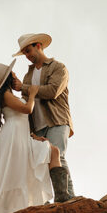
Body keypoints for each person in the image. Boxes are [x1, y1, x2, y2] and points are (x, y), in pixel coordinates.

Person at [0, 61, 70, 213]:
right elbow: (27, 109)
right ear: (8, 77)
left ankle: (62, 196)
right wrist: (33, 93)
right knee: (16, 172)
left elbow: (24, 119)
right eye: (11, 73)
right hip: (13, 136)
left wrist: (34, 137)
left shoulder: (9, 95)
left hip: (21, 135)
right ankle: (58, 197)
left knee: (53, 151)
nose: (15, 74)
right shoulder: (6, 95)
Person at [14, 33, 75, 198]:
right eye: (25, 53)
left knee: (58, 156)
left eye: (28, 51)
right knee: (43, 163)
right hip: (37, 126)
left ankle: (67, 196)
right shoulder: (28, 76)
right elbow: (27, 103)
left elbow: (53, 91)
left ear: (38, 46)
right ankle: (51, 199)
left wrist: (24, 88)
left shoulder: (58, 67)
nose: (27, 56)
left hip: (56, 120)